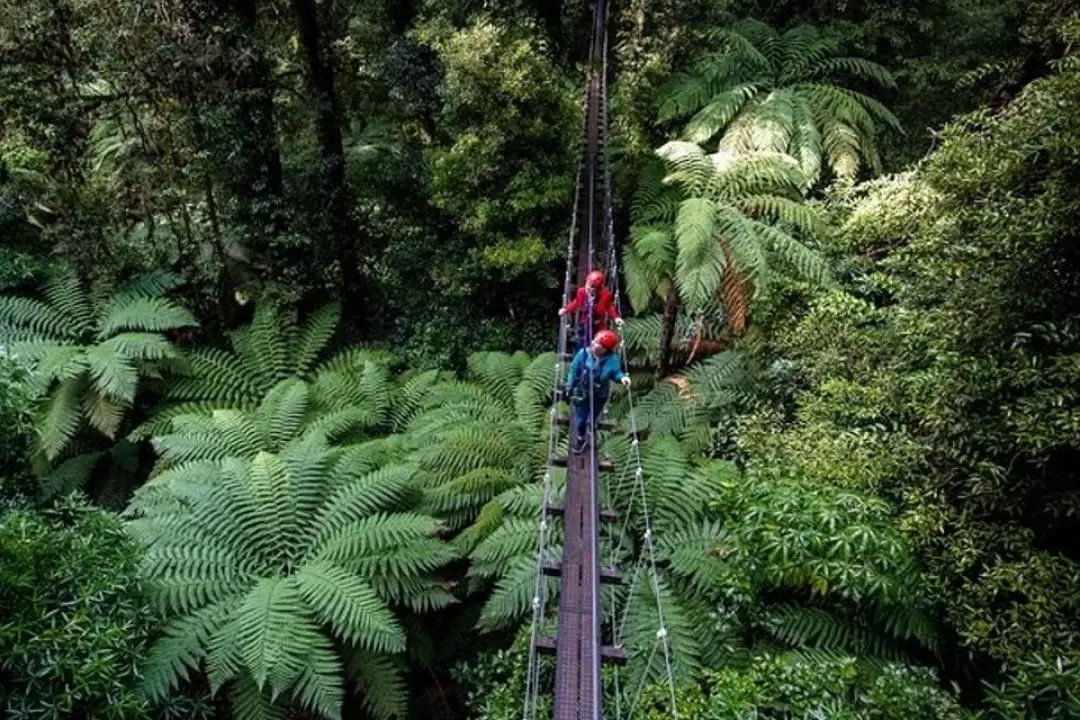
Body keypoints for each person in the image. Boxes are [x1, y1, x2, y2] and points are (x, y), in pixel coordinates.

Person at [565, 329, 631, 453]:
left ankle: (591, 425)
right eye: (594, 341)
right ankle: (581, 438)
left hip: (599, 395)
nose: (592, 344)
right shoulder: (583, 354)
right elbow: (573, 370)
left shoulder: (613, 359)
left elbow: (616, 373)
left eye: (597, 343)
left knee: (593, 417)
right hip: (582, 393)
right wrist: (569, 386)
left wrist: (622, 378)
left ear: (605, 349)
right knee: (580, 420)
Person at [559, 269, 623, 351]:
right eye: (587, 284)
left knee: (597, 345)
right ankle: (581, 361)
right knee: (582, 345)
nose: (587, 287)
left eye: (591, 286)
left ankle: (594, 361)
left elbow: (610, 307)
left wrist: (616, 318)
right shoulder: (581, 292)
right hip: (584, 323)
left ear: (597, 288)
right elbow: (576, 302)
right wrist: (566, 309)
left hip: (598, 325)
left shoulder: (606, 295)